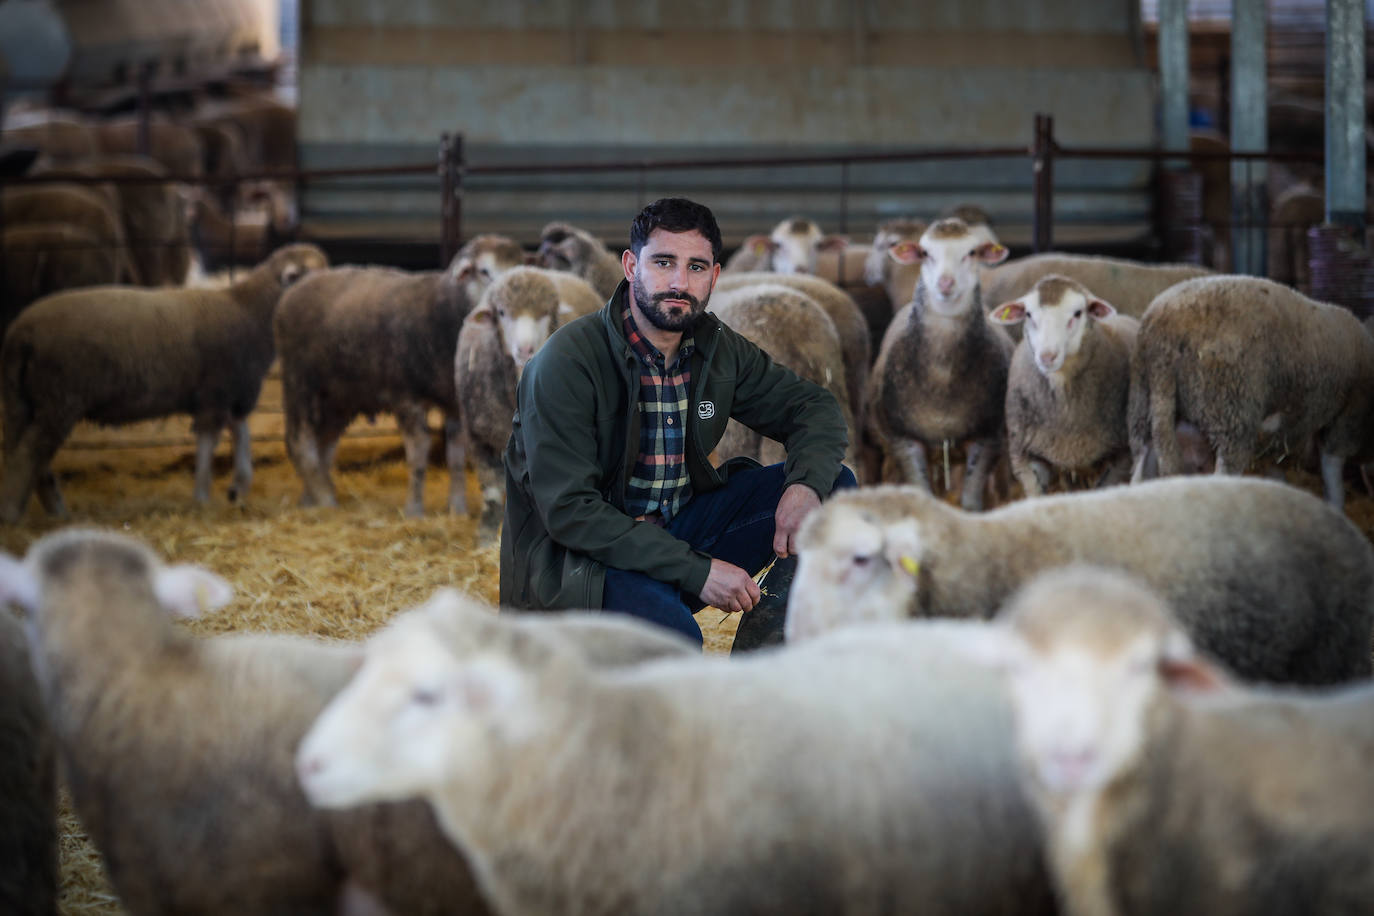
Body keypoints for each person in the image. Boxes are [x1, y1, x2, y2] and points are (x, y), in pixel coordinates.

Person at [499, 197, 855, 647]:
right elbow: (570, 513)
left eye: (696, 267)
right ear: (631, 266)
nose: (679, 282)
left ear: (715, 276)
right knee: (676, 641)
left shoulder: (715, 346)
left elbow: (813, 408)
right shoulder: (567, 362)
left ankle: (766, 649)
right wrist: (698, 571)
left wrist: (804, 487)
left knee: (834, 489)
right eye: (663, 262)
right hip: (586, 564)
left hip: (678, 528)